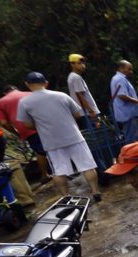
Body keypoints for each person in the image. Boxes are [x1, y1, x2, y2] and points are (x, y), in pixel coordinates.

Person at [17, 72, 102, 201]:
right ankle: (95, 192)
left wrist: (41, 128)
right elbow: (77, 114)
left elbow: (27, 124)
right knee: (87, 166)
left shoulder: (24, 102)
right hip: (74, 136)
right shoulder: (61, 95)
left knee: (59, 171)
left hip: (51, 142)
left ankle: (66, 197)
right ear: (46, 83)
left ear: (27, 85)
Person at [0, 85, 51, 182]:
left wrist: (16, 132)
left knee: (40, 151)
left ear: (4, 93)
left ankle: (44, 175)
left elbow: (3, 123)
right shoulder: (29, 93)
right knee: (54, 147)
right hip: (43, 124)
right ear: (16, 89)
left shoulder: (0, 102)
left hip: (26, 129)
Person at [110, 60, 138, 143]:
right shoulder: (120, 79)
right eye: (129, 69)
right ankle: (135, 155)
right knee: (133, 139)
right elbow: (122, 95)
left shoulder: (116, 78)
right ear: (121, 68)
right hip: (127, 114)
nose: (131, 72)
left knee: (131, 137)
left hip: (125, 113)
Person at [67, 54, 100, 129]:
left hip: (86, 113)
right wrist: (91, 111)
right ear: (72, 64)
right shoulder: (76, 77)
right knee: (96, 137)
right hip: (88, 113)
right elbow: (80, 95)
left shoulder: (73, 76)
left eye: (83, 63)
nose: (82, 65)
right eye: (79, 63)